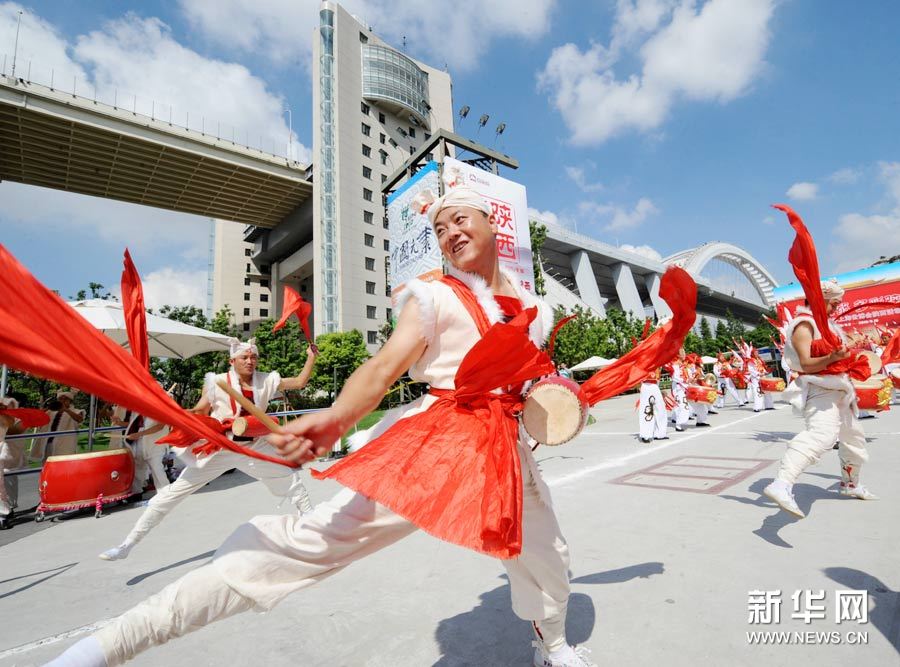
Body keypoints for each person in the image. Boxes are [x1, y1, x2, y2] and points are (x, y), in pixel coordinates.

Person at [51, 185, 596, 667]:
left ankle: (551, 647)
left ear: (491, 223)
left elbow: (532, 385)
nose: (449, 233)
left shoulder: (530, 306)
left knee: (548, 553)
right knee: (312, 542)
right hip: (439, 443)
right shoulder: (431, 296)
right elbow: (383, 368)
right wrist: (337, 417)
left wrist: (558, 404)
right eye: (439, 227)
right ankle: (109, 646)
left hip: (503, 451)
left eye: (460, 220)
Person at [97, 341, 318, 561]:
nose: (250, 361)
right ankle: (127, 544)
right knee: (172, 494)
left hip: (254, 446)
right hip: (220, 447)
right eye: (245, 358)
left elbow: (299, 382)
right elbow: (201, 409)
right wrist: (175, 413)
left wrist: (311, 356)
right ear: (232, 361)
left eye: (254, 358)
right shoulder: (217, 381)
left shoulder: (266, 380)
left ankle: (312, 528)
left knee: (292, 483)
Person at [763, 280, 878, 519]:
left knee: (854, 439)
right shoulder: (803, 326)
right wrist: (834, 357)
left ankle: (849, 484)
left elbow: (837, 359)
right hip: (819, 390)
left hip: (840, 391)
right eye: (834, 303)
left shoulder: (828, 326)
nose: (837, 308)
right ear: (819, 299)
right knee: (821, 436)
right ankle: (781, 484)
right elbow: (806, 364)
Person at [31, 390, 84, 462]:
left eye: (65, 399)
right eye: (60, 399)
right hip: (47, 443)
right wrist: (49, 407)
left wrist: (66, 410)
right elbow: (37, 416)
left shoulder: (76, 411)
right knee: (47, 464)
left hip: (65, 444)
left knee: (62, 465)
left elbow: (79, 419)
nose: (62, 401)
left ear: (70, 401)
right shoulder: (50, 412)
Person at [0, 396, 27, 530]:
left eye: (11, 405)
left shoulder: (14, 418)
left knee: (5, 483)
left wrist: (4, 415)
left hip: (8, 455)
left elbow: (14, 429)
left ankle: (6, 511)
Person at [638, 368, 667, 443]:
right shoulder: (643, 363)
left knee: (661, 410)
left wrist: (659, 390)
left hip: (655, 386)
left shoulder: (657, 365)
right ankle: (645, 435)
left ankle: (660, 434)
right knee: (647, 410)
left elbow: (657, 379)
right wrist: (639, 386)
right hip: (645, 385)